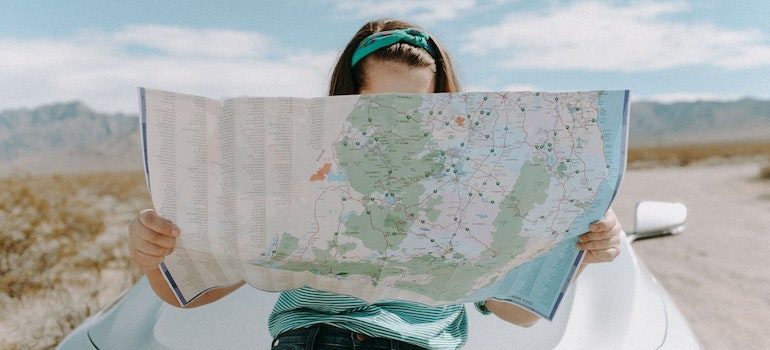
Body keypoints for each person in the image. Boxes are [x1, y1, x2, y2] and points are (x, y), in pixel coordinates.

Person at [128, 18, 623, 350]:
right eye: (378, 108)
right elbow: (190, 293)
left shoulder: (477, 181)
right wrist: (154, 256)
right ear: (346, 101)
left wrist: (580, 252)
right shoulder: (298, 168)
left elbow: (515, 315)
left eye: (417, 110)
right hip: (314, 336)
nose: (398, 125)